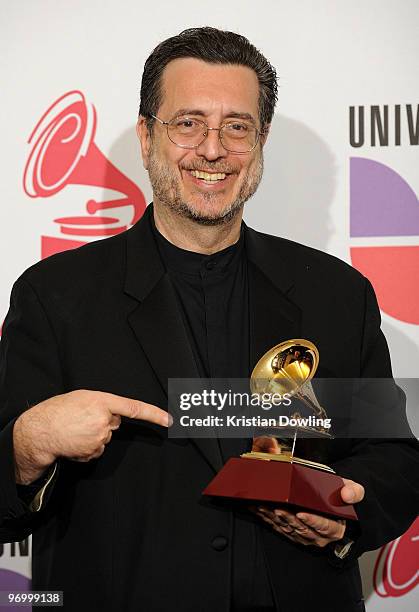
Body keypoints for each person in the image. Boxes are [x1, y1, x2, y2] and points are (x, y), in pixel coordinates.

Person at [0, 27, 417, 612]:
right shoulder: (55, 296)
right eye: (188, 123)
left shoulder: (337, 294)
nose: (213, 149)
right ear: (147, 136)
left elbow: (392, 457)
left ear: (261, 139)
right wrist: (26, 444)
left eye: (236, 127)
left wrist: (349, 514)